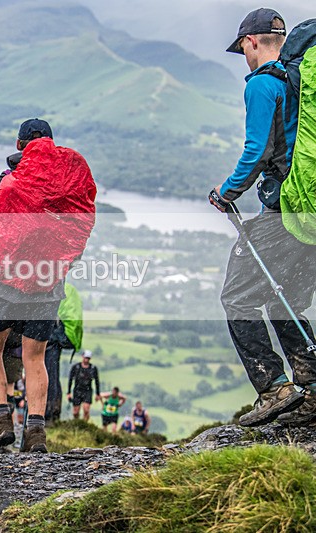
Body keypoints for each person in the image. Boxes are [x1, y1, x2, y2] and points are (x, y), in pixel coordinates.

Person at [210, 8, 316, 427]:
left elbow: (256, 151)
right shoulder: (300, 81)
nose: (245, 57)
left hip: (283, 211)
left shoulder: (264, 83)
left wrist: (227, 192)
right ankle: (311, 389)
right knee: (282, 298)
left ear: (251, 42)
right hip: (311, 211)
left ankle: (274, 387)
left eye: (243, 50)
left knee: (236, 297)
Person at [0, 119, 96, 453]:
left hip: (5, 283)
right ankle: (36, 432)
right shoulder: (70, 184)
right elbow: (79, 231)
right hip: (49, 283)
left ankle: (1, 419)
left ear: (19, 146)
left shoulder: (5, 182)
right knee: (35, 357)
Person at [44, 284, 84, 424]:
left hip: (52, 336)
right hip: (59, 336)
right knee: (52, 374)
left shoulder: (53, 287)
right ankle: (53, 413)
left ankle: (47, 414)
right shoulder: (69, 288)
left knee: (47, 374)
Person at [67, 350, 100, 422]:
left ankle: (84, 424)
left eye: (88, 358)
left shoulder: (93, 368)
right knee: (75, 412)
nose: (86, 359)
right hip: (77, 390)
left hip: (87, 391)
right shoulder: (76, 367)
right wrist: (68, 392)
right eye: (85, 358)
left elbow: (97, 381)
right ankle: (77, 423)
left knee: (86, 410)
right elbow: (70, 379)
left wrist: (98, 394)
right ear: (82, 357)